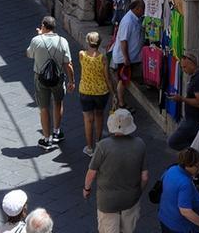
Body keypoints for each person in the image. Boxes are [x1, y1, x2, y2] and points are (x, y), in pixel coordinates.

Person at [83, 108, 148, 233]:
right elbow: (144, 176)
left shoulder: (103, 146)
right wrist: (138, 191)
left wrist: (86, 189)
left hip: (107, 202)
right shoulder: (140, 144)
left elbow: (91, 173)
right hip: (131, 199)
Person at [27, 15, 76, 148]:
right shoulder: (63, 41)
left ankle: (46, 138)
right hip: (58, 78)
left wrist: (39, 36)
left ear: (43, 26)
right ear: (54, 27)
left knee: (43, 108)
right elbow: (68, 64)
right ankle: (57, 132)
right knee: (58, 103)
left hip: (40, 78)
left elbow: (29, 54)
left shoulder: (36, 40)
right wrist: (72, 81)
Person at [158, 148, 199, 233]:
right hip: (180, 227)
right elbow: (185, 211)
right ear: (189, 165)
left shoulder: (172, 169)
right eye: (198, 165)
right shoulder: (185, 183)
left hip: (165, 218)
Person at [167, 52, 199, 150]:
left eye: (184, 67)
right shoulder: (197, 76)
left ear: (192, 64)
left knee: (173, 142)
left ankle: (192, 154)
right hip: (192, 119)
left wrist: (181, 99)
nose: (183, 70)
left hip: (195, 120)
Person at [79, 30, 112, 156]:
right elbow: (107, 77)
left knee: (88, 119)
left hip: (86, 91)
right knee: (99, 116)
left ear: (88, 42)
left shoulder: (81, 54)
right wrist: (112, 91)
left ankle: (89, 147)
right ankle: (98, 143)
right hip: (101, 92)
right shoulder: (103, 58)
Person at [110, 0, 145, 108]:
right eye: (142, 9)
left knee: (125, 79)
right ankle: (121, 103)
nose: (143, 12)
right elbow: (123, 41)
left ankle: (120, 100)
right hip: (123, 58)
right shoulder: (128, 21)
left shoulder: (135, 19)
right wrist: (126, 58)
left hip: (132, 57)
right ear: (137, 8)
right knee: (123, 80)